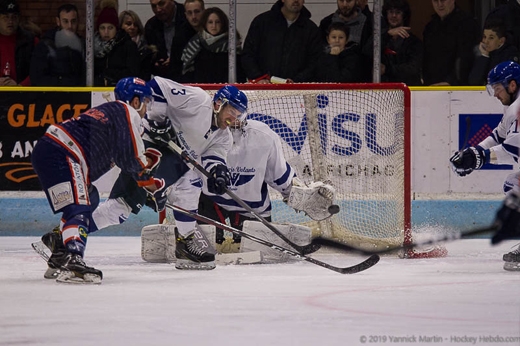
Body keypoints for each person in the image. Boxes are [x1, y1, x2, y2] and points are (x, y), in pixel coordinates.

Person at [32, 77, 164, 284]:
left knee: (90, 198)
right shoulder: (126, 111)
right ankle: (73, 259)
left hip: (50, 150)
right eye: (146, 102)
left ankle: (59, 246)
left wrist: (142, 181)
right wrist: (148, 178)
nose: (147, 109)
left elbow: (124, 159)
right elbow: (133, 159)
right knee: (80, 206)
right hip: (65, 152)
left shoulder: (113, 117)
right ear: (135, 101)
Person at [197, 117, 337, 249]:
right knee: (204, 246)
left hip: (251, 207)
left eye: (237, 111)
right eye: (229, 110)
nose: (233, 116)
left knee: (254, 251)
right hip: (212, 203)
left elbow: (279, 175)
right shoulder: (202, 131)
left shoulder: (263, 136)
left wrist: (303, 197)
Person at [449, 60, 520, 271]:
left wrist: (478, 158)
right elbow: (497, 136)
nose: (496, 94)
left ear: (512, 85)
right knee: (512, 184)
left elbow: (513, 149)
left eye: (497, 89)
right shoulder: (513, 108)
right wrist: (471, 153)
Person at [241, 0, 322, 83]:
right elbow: (248, 54)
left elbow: (315, 62)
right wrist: (258, 77)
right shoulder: (262, 22)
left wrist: (297, 80)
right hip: (263, 87)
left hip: (296, 90)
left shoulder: (311, 29)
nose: (296, 1)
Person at [180, 7, 245, 83]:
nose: (214, 26)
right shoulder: (195, 43)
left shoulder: (232, 44)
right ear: (205, 23)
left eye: (217, 22)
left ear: (223, 23)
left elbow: (240, 72)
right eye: (210, 22)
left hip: (226, 89)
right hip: (200, 89)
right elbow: (187, 71)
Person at [422, 0, 479, 86]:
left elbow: (466, 57)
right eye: (435, 1)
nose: (440, 5)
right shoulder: (430, 27)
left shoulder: (467, 24)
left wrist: (451, 81)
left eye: (443, 0)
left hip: (458, 87)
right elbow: (426, 58)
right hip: (431, 86)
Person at [30, 4, 85, 86]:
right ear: (58, 21)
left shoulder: (83, 44)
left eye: (73, 21)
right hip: (52, 96)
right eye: (65, 21)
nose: (70, 26)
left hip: (78, 96)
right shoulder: (45, 45)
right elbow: (37, 78)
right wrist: (65, 82)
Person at [318, 0, 372, 82]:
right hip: (327, 83)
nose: (345, 4)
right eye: (341, 0)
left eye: (349, 1)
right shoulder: (326, 23)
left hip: (361, 84)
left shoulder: (369, 22)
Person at [94, 0, 139, 86]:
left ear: (116, 28)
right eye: (102, 28)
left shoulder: (127, 46)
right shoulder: (92, 48)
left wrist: (109, 76)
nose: (106, 32)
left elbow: (133, 73)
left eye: (110, 28)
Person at [380, 0, 423, 86]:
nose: (394, 15)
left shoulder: (414, 42)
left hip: (409, 89)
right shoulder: (380, 38)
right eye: (391, 12)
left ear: (404, 15)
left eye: (398, 12)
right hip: (384, 91)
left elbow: (413, 68)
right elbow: (366, 52)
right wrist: (387, 35)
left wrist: (387, 69)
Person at [144, 0, 188, 80]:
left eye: (162, 3)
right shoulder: (151, 26)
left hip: (188, 75)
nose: (158, 10)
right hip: (164, 78)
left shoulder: (188, 15)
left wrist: (175, 59)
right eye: (153, 6)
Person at [468, 17, 519, 86]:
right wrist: (484, 56)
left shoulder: (510, 54)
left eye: (491, 38)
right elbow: (473, 82)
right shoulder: (483, 53)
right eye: (484, 37)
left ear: (501, 41)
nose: (486, 41)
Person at [0, 0, 38, 86]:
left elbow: (39, 69)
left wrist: (20, 87)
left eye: (14, 17)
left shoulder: (31, 41)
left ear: (19, 18)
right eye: (6, 17)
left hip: (22, 95)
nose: (10, 21)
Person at [119, 9, 157, 81]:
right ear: (120, 25)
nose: (132, 27)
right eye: (128, 24)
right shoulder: (117, 48)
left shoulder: (146, 48)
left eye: (135, 25)